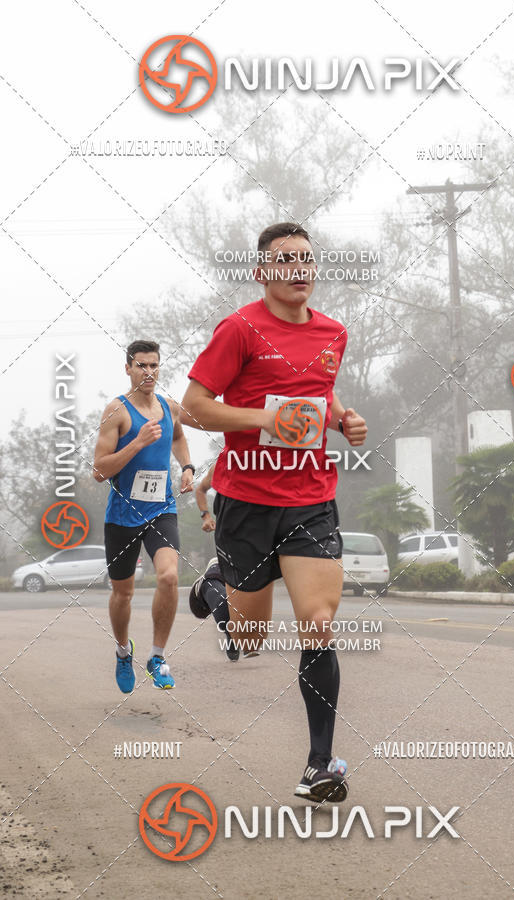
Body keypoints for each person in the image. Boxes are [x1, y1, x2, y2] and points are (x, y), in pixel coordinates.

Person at [181, 222, 367, 803]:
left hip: (310, 500)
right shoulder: (238, 330)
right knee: (253, 636)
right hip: (245, 502)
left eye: (307, 260)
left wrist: (343, 418)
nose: (298, 269)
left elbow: (319, 390)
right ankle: (217, 590)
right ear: (262, 272)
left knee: (318, 621)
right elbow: (193, 409)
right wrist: (263, 418)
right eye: (284, 260)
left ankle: (320, 766)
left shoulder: (334, 332)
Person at [93, 339, 194, 692]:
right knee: (123, 594)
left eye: (154, 365)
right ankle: (123, 652)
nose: (149, 372)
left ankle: (157, 657)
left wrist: (187, 466)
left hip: (162, 509)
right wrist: (136, 442)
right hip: (123, 516)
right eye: (141, 365)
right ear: (128, 368)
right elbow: (99, 471)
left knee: (168, 577)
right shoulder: (116, 411)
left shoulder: (169, 406)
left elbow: (178, 436)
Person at [188, 462, 241, 662]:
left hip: (261, 547)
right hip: (230, 546)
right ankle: (211, 580)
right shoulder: (225, 461)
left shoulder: (271, 462)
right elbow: (201, 490)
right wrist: (206, 516)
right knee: (222, 600)